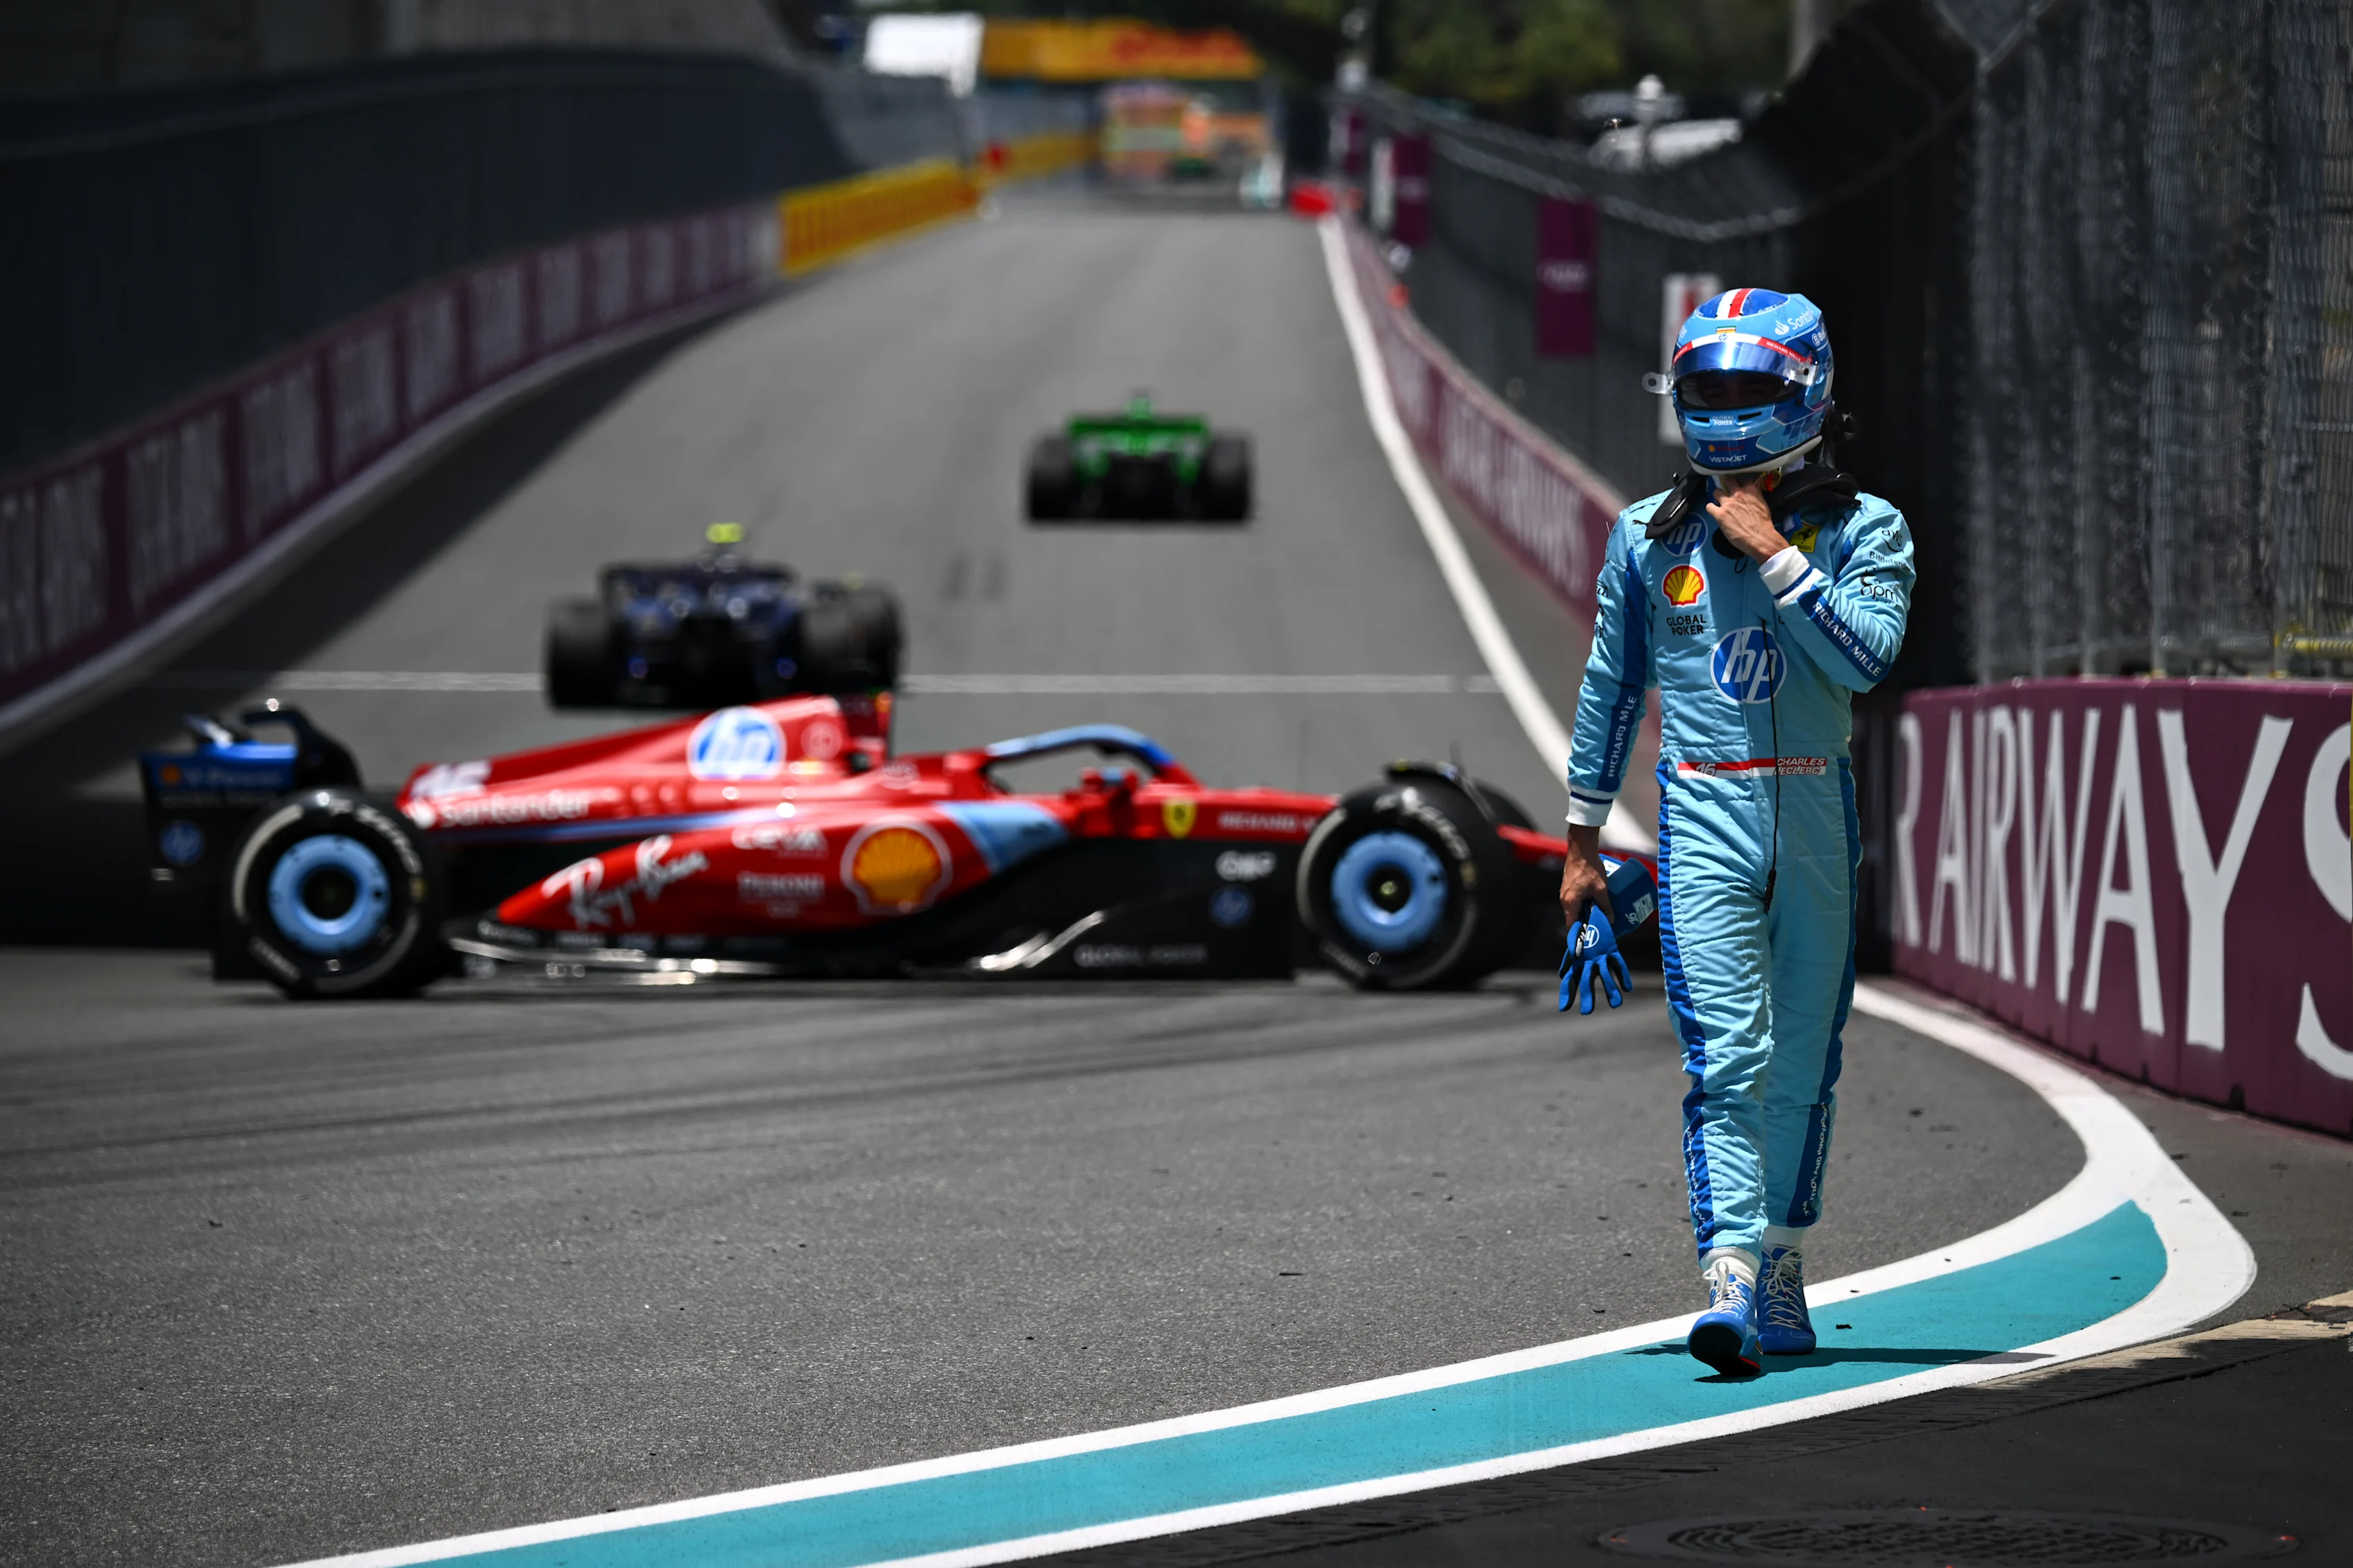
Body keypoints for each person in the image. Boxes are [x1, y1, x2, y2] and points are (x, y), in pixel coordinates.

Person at [1556, 287, 1914, 1377]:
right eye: (1706, 390)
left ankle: (1788, 1255)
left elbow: (1867, 660)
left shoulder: (1869, 527)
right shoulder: (1643, 536)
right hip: (1699, 808)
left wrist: (1775, 554)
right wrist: (1579, 840)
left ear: (1805, 391)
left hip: (1815, 804)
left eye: (1747, 390)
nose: (1723, 410)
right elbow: (1611, 688)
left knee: (1806, 1058)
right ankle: (1729, 1277)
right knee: (1728, 1058)